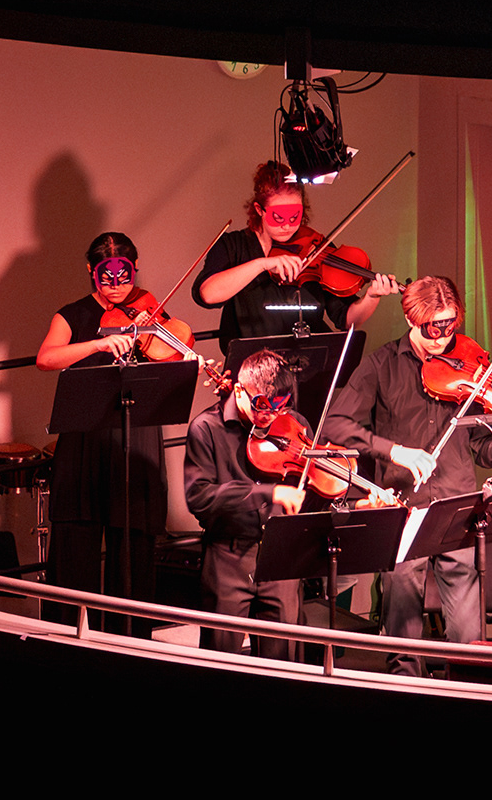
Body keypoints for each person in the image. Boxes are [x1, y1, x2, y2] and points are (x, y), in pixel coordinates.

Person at [325, 274, 492, 672]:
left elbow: (484, 452)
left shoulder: (467, 367)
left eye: (449, 326)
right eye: (433, 328)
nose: (442, 338)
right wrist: (394, 450)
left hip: (456, 508)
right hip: (404, 509)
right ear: (411, 319)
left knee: (469, 638)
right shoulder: (381, 365)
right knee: (403, 633)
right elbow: (336, 425)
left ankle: (465, 692)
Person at [34, 232, 166, 627]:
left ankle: (132, 642)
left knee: (134, 551)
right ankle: (66, 639)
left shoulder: (148, 310)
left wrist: (154, 335)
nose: (118, 288)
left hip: (135, 439)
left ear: (135, 269)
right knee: (75, 550)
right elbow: (46, 358)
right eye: (107, 279)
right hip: (85, 440)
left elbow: (174, 354)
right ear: (92, 272)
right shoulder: (72, 315)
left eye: (125, 277)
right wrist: (97, 345)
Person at [192, 160, 400, 362]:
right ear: (259, 209)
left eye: (294, 217)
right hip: (251, 368)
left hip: (309, 365)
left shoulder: (315, 246)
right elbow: (208, 294)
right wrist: (262, 264)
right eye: (278, 217)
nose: (287, 226)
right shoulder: (233, 245)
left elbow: (346, 319)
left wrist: (371, 297)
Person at [181, 347, 312, 655]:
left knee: (282, 665)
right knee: (220, 661)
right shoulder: (206, 428)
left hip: (280, 558)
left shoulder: (292, 424)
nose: (270, 418)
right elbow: (199, 496)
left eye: (279, 409)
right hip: (228, 557)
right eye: (261, 408)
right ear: (240, 391)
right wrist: (267, 493)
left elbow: (311, 483)